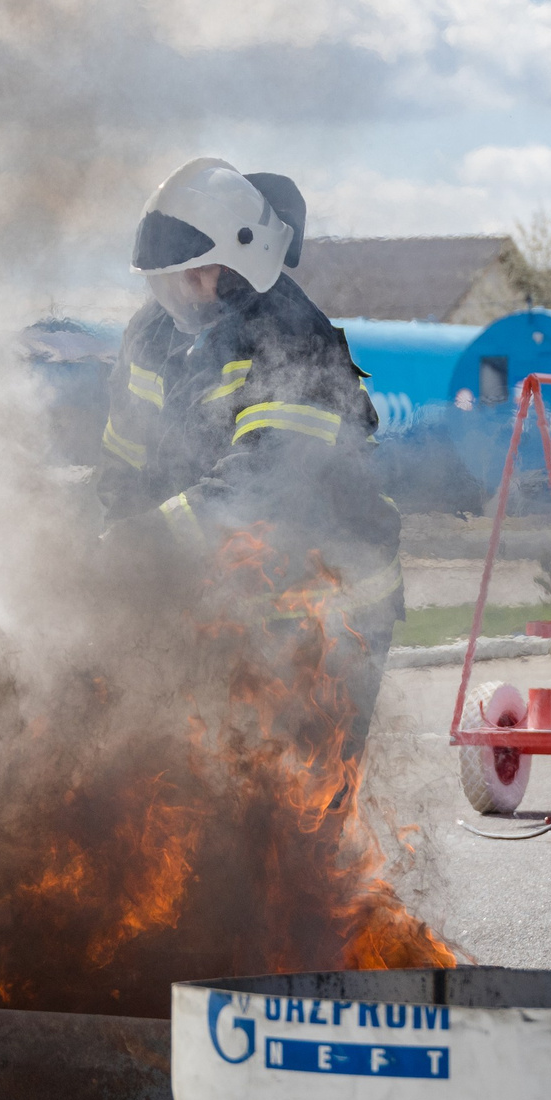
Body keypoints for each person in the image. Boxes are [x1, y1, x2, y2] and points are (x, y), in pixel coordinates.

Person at [93, 159, 403, 748]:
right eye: (161, 280)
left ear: (242, 261)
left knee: (293, 810)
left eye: (190, 275)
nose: (173, 295)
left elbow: (266, 486)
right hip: (220, 606)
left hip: (327, 616)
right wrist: (107, 550)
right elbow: (122, 465)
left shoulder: (293, 338)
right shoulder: (151, 336)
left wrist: (143, 544)